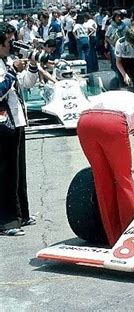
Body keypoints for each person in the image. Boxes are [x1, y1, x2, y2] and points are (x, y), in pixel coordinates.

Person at [76, 91, 134, 246]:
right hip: (112, 121)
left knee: (102, 182)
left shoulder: (128, 100)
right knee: (123, 180)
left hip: (84, 121)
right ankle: (129, 239)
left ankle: (113, 239)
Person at [0, 23, 39, 236]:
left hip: (16, 121)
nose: (11, 46)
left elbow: (26, 83)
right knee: (5, 174)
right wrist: (13, 71)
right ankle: (6, 222)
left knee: (17, 173)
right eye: (8, 42)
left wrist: (32, 66)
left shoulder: (6, 60)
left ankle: (21, 214)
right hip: (2, 125)